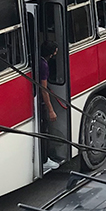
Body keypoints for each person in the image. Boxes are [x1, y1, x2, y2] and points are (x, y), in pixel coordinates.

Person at [39, 40, 60, 171]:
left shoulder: (37, 60)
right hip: (40, 103)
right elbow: (44, 89)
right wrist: (51, 110)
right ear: (51, 54)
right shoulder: (44, 65)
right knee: (44, 130)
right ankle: (45, 160)